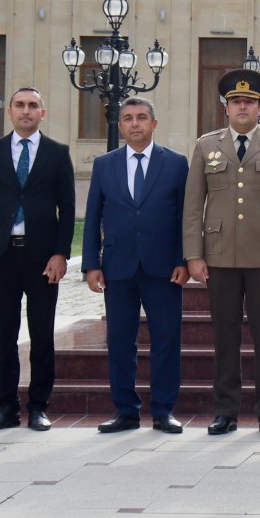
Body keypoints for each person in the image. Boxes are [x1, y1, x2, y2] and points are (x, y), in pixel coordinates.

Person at [182, 68, 260, 436]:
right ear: (226, 108)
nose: (243, 107)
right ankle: (226, 411)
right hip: (219, 258)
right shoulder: (206, 145)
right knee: (225, 339)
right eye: (236, 102)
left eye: (250, 101)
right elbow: (192, 205)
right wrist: (193, 255)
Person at [82, 96, 190, 434]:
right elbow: (92, 217)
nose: (134, 124)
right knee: (120, 340)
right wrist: (90, 264)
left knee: (166, 339)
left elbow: (186, 216)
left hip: (164, 268)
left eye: (141, 117)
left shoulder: (175, 163)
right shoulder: (104, 164)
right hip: (118, 266)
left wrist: (183, 260)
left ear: (153, 124)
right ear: (120, 125)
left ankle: (163, 411)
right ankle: (126, 410)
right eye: (128, 118)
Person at [0, 86, 76, 431]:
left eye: (33, 106)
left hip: (42, 259)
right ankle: (6, 407)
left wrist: (61, 254)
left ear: (42, 113)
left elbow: (69, 209)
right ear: (10, 111)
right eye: (20, 105)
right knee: (4, 335)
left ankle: (39, 406)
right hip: (1, 256)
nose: (26, 111)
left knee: (42, 334)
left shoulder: (57, 154)